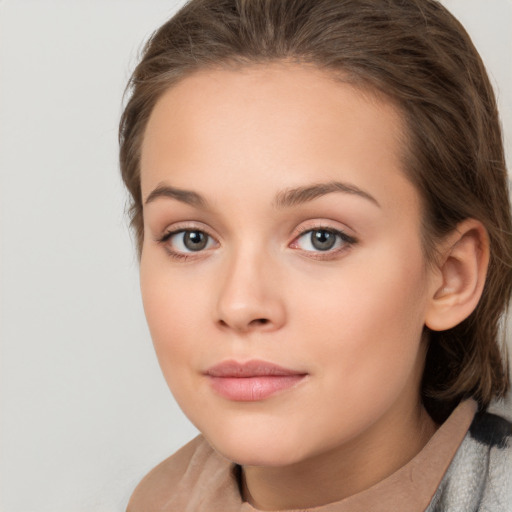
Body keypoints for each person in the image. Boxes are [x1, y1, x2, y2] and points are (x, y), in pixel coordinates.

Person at [119, 0, 512, 510]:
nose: (240, 305)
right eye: (191, 237)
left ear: (450, 276)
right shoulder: (160, 500)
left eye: (321, 238)